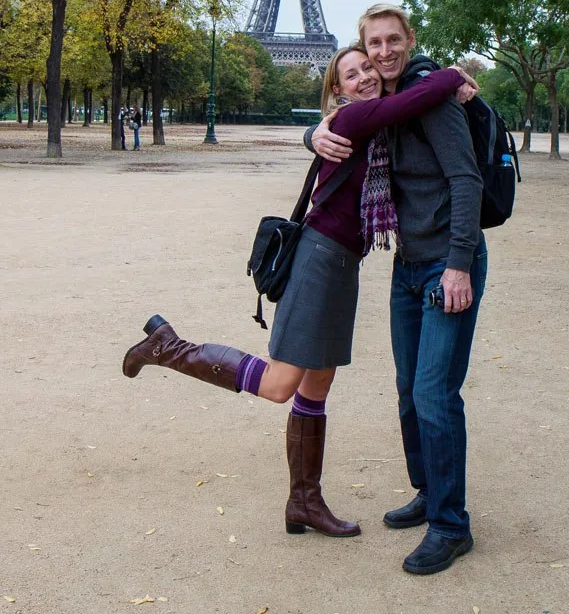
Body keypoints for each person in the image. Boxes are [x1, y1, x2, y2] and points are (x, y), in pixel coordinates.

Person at [122, 46, 473, 540]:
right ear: (337, 90)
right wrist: (454, 73)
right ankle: (170, 347)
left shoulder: (363, 129)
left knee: (316, 387)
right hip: (319, 260)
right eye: (351, 74)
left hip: (342, 265)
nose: (365, 77)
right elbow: (411, 101)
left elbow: (401, 114)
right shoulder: (353, 120)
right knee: (280, 384)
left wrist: (313, 133)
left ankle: (303, 502)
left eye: (369, 69)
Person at [308, 4, 485, 575]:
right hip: (407, 265)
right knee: (409, 391)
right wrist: (312, 132)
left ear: (408, 41)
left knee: (434, 393)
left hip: (446, 266)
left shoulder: (433, 98)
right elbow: (338, 122)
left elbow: (466, 179)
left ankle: (451, 526)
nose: (382, 53)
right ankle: (429, 492)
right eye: (372, 44)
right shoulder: (378, 113)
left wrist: (458, 264)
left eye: (391, 41)